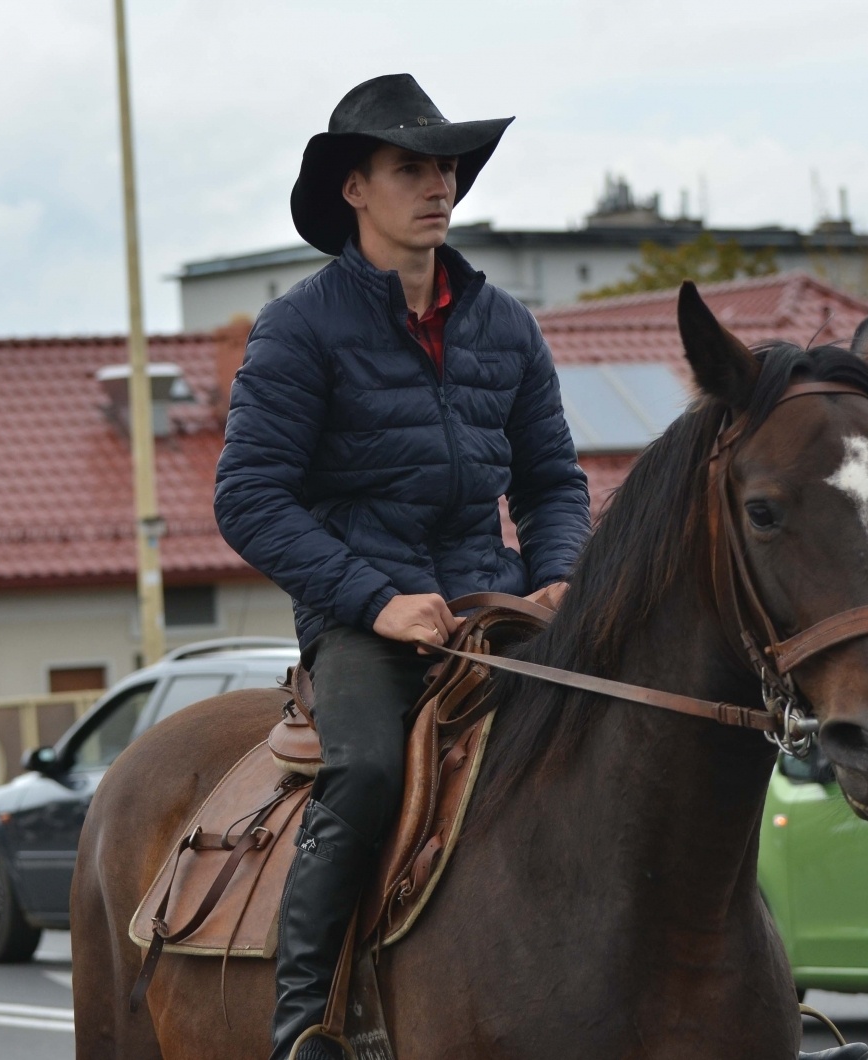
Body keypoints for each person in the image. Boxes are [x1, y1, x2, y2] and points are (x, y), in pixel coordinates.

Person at [213, 74, 591, 1060]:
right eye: (409, 167)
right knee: (370, 771)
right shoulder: (299, 326)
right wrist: (377, 601)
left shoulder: (506, 324)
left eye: (446, 167)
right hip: (361, 621)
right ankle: (306, 1023)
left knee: (634, 738)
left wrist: (556, 573)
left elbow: (553, 481)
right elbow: (248, 499)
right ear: (354, 188)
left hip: (497, 602)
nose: (438, 185)